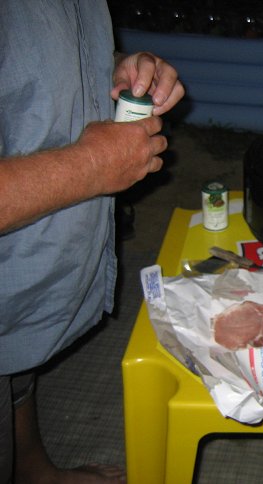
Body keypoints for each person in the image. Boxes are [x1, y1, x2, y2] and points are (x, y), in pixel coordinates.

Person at [0, 1, 185, 482]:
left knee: (15, 356)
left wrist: (117, 67)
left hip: (29, 261)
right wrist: (89, 167)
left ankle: (32, 468)